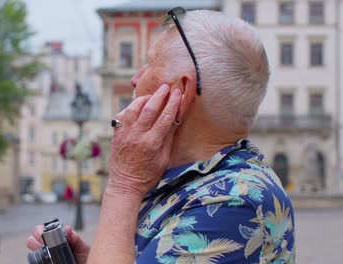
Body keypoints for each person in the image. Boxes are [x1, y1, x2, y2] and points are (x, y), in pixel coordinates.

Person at [27, 9, 295, 263]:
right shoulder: (200, 180)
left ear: (182, 92)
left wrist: (123, 186)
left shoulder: (234, 200)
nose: (135, 78)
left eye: (150, 65)